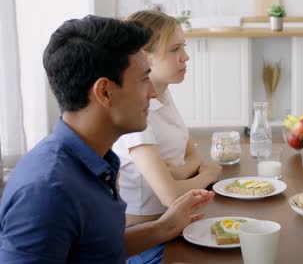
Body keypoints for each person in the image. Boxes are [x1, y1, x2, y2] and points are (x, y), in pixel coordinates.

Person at [0, 15, 215, 263]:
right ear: (105, 92)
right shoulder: (46, 192)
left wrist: (164, 227)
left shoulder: (96, 160)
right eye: (144, 80)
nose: (153, 93)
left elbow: (95, 246)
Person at [112, 10, 222, 263]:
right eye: (174, 49)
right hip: (146, 240)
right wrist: (208, 173)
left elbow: (190, 149)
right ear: (143, 56)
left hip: (175, 226)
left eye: (183, 47)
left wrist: (180, 172)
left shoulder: (162, 93)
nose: (186, 56)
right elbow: (172, 197)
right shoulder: (136, 112)